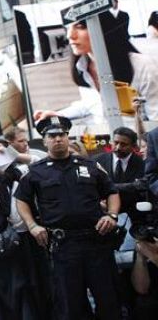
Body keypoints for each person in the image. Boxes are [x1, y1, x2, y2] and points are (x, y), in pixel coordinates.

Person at [15, 116, 122, 320]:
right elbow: (21, 200)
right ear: (44, 140)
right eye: (52, 136)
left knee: (109, 301)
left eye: (62, 135)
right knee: (70, 305)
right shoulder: (35, 172)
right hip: (64, 246)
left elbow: (112, 191)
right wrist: (32, 225)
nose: (58, 139)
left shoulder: (89, 165)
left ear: (67, 137)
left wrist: (112, 214)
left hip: (96, 241)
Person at [34, 11, 158, 122]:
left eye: (80, 27)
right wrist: (58, 114)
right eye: (68, 28)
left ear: (103, 28)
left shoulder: (142, 65)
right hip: (105, 140)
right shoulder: (82, 66)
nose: (70, 35)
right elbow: (92, 104)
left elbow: (155, 116)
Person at [0, 151, 49, 319]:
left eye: (2, 154)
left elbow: (41, 160)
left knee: (28, 286)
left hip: (24, 237)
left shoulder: (22, 173)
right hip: (0, 239)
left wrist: (12, 152)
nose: (0, 158)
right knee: (2, 289)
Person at [92, 126, 145, 215]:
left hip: (133, 216)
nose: (118, 147)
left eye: (123, 144)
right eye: (116, 143)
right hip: (103, 215)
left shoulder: (142, 164)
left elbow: (141, 189)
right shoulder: (97, 161)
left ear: (133, 146)